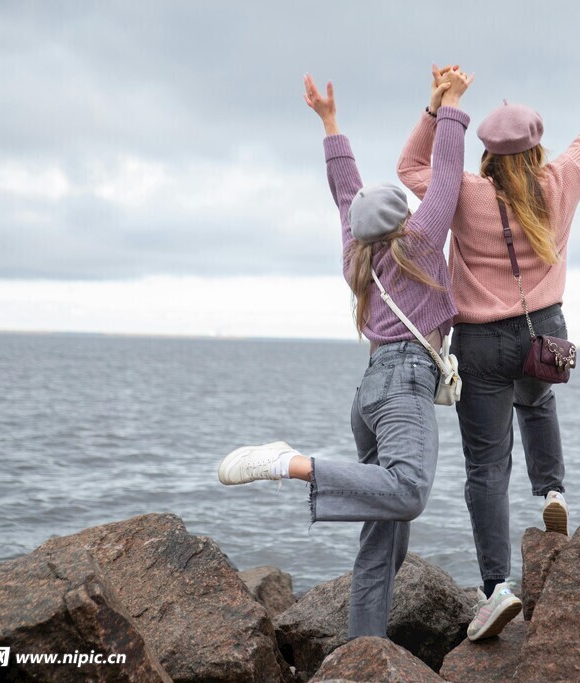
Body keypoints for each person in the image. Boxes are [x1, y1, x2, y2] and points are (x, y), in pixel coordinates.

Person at [396, 18, 580, 641]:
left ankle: (496, 589)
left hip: (481, 341)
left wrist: (437, 105)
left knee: (486, 471)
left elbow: (409, 166)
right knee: (538, 399)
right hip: (546, 331)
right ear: (538, 147)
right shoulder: (561, 180)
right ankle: (553, 492)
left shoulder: (464, 191)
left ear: (486, 154)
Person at [217, 68, 473, 640]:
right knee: (406, 491)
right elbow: (449, 180)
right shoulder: (422, 242)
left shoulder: (355, 255)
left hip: (372, 391)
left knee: (383, 536)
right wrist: (451, 107)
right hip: (403, 382)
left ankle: (365, 651)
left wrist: (330, 124)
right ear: (406, 218)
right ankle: (292, 463)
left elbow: (343, 189)